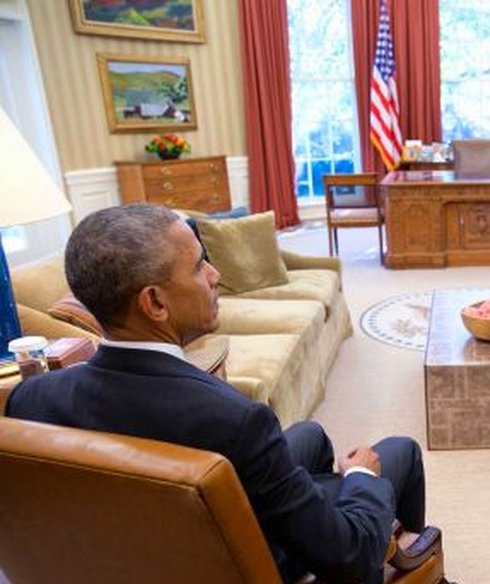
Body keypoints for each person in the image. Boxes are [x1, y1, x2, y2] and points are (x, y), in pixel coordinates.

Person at [5, 204, 426, 584]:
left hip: (141, 551)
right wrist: (361, 477)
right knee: (397, 452)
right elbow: (347, 557)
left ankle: (309, 502)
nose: (215, 275)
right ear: (155, 303)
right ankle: (409, 556)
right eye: (199, 265)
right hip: (233, 561)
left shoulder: (31, 398)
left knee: (310, 435)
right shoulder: (234, 420)